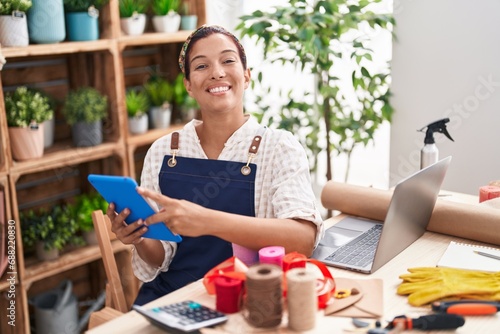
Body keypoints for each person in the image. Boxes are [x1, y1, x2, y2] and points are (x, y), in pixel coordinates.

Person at [107, 25, 324, 306]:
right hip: (173, 298)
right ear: (188, 85)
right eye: (201, 65)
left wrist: (206, 220)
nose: (217, 72)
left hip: (249, 301)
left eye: (228, 60)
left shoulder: (279, 147)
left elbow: (303, 238)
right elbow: (160, 256)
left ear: (247, 76)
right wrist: (138, 238)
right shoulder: (163, 151)